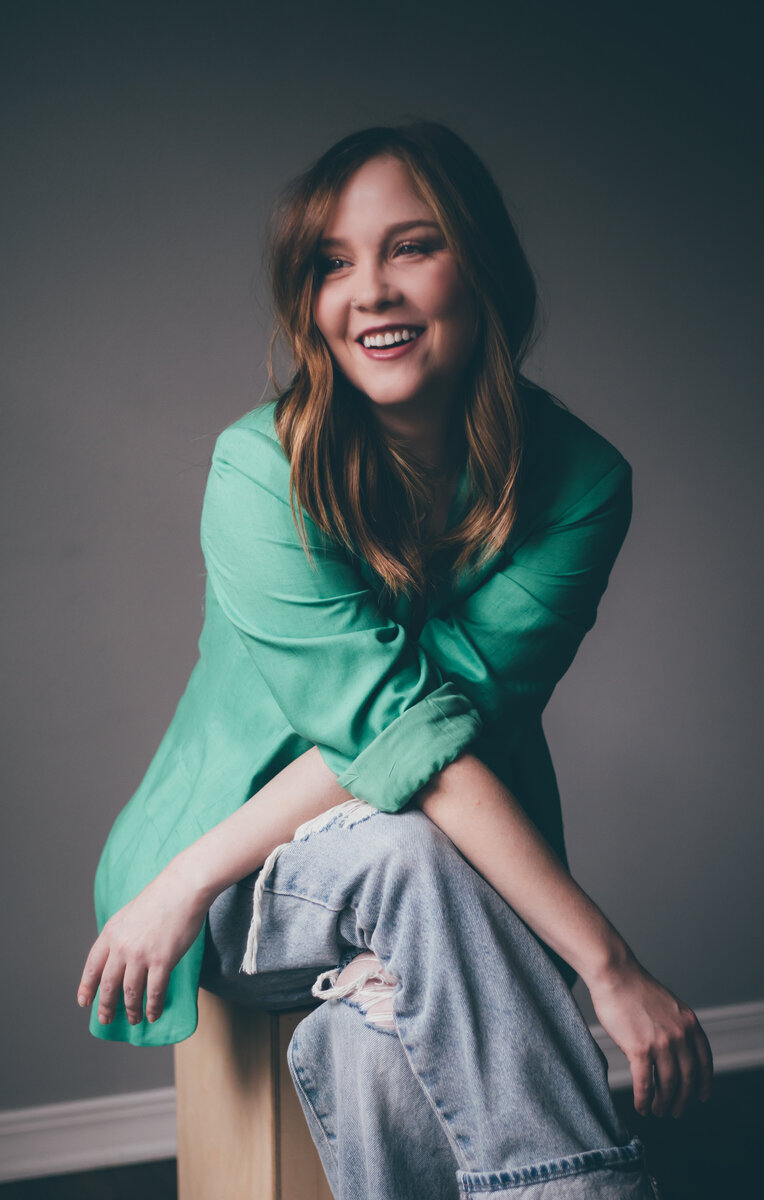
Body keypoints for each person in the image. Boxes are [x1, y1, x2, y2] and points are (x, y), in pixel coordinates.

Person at [78, 120, 712, 1199]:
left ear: (483, 271)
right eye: (332, 262)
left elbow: (433, 725)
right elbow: (387, 735)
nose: (368, 290)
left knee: (377, 1034)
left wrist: (590, 959)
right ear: (309, 299)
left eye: (410, 247)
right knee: (404, 845)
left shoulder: (580, 481)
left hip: (452, 871)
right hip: (228, 875)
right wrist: (605, 966)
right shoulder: (257, 468)